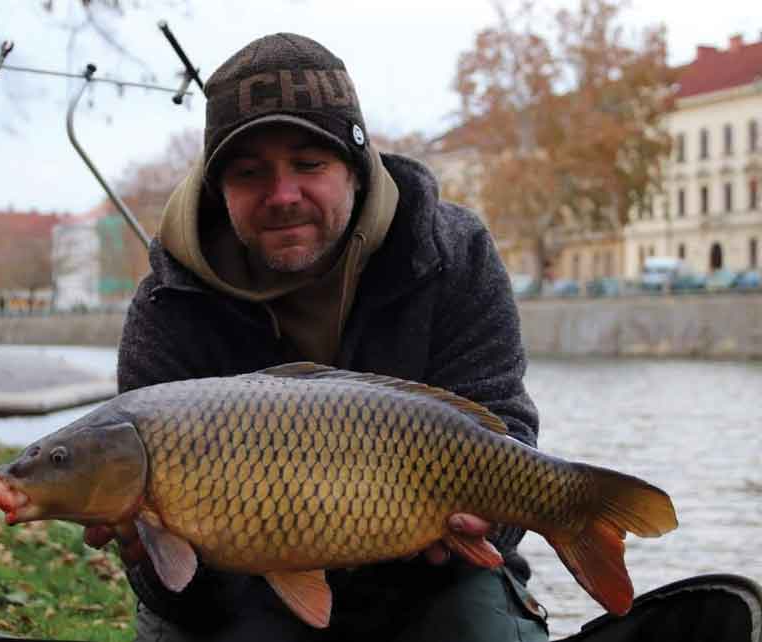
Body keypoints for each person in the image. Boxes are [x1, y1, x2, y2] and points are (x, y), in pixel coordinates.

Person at [85, 32, 548, 642]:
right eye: (250, 173)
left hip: (431, 573)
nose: (282, 196)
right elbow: (182, 598)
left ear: (356, 170)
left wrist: (489, 525)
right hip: (242, 585)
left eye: (309, 164)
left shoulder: (452, 253)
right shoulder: (169, 302)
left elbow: (504, 430)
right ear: (217, 190)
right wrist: (148, 550)